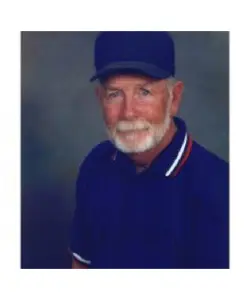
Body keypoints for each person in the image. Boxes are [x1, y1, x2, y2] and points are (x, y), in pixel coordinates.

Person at [70, 32, 229, 269]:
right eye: (114, 94)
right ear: (100, 99)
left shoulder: (222, 189)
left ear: (174, 98)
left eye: (144, 92)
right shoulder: (95, 165)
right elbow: (81, 267)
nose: (128, 112)